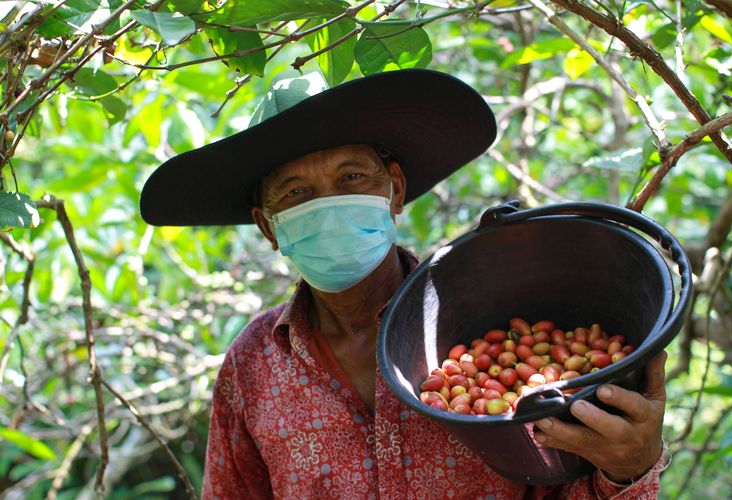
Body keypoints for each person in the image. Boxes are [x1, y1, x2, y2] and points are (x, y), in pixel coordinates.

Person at [140, 69, 668, 498]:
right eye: (296, 193)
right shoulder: (252, 364)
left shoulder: (483, 313)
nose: (327, 204)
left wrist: (630, 470)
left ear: (394, 191)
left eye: (351, 178)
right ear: (267, 226)